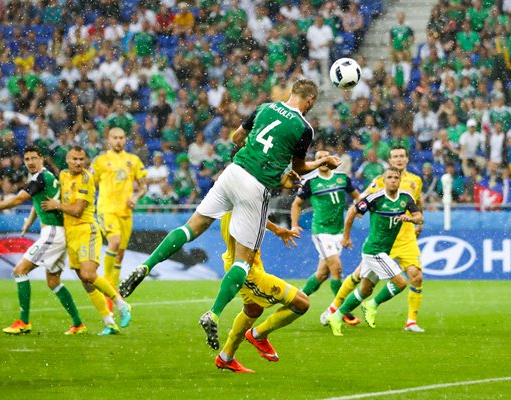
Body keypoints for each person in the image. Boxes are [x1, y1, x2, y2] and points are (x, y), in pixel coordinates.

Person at [119, 79, 340, 350]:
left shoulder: (265, 107)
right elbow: (300, 167)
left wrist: (256, 157)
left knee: (191, 228)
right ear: (309, 101)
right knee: (244, 262)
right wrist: (323, 162)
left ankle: (146, 265)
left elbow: (236, 138)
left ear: (291, 93)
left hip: (232, 172)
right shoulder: (303, 127)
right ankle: (213, 312)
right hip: (255, 186)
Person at [0, 145, 85, 335]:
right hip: (58, 232)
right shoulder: (43, 177)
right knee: (53, 281)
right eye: (27, 159)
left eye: (34, 158)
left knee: (20, 270)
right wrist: (29, 223)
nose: (31, 162)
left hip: (53, 233)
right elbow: (37, 203)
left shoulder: (41, 177)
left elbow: (19, 199)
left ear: (41, 159)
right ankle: (78, 324)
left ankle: (24, 322)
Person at [320, 145, 426, 332]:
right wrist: (352, 224)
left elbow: (417, 204)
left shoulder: (415, 182)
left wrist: (418, 222)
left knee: (416, 277)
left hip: (405, 238)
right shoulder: (379, 182)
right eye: (395, 157)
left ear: (407, 159)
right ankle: (334, 308)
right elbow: (361, 201)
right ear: (390, 161)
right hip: (379, 242)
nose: (399, 159)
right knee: (358, 279)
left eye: (402, 156)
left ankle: (410, 322)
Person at [41, 146, 131, 335]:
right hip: (70, 234)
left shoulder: (85, 178)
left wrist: (56, 205)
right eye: (74, 159)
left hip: (86, 231)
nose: (78, 163)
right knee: (85, 280)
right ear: (67, 159)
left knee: (89, 274)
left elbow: (77, 210)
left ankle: (121, 304)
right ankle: (109, 322)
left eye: (81, 159)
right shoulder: (64, 176)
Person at [215, 208, 309, 372]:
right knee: (301, 303)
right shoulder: (244, 192)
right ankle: (258, 335)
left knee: (253, 309)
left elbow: (254, 215)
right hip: (247, 269)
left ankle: (225, 357)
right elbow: (251, 215)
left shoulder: (238, 195)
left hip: (241, 262)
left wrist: (276, 229)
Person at [290, 150, 361, 325]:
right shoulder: (311, 182)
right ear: (315, 162)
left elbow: (356, 197)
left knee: (322, 274)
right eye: (319, 159)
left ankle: (295, 300)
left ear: (331, 160)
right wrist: (294, 224)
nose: (322, 161)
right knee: (336, 268)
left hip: (338, 231)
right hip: (321, 232)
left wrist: (359, 209)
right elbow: (296, 204)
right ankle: (341, 310)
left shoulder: (342, 178)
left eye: (325, 158)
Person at [91, 128, 147, 308]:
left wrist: (135, 197)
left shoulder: (133, 160)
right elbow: (91, 184)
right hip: (106, 210)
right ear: (108, 140)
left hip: (125, 212)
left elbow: (143, 187)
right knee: (114, 242)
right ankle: (107, 283)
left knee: (120, 254)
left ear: (125, 140)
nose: (118, 141)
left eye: (121, 138)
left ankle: (111, 291)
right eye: (115, 138)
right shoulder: (100, 161)